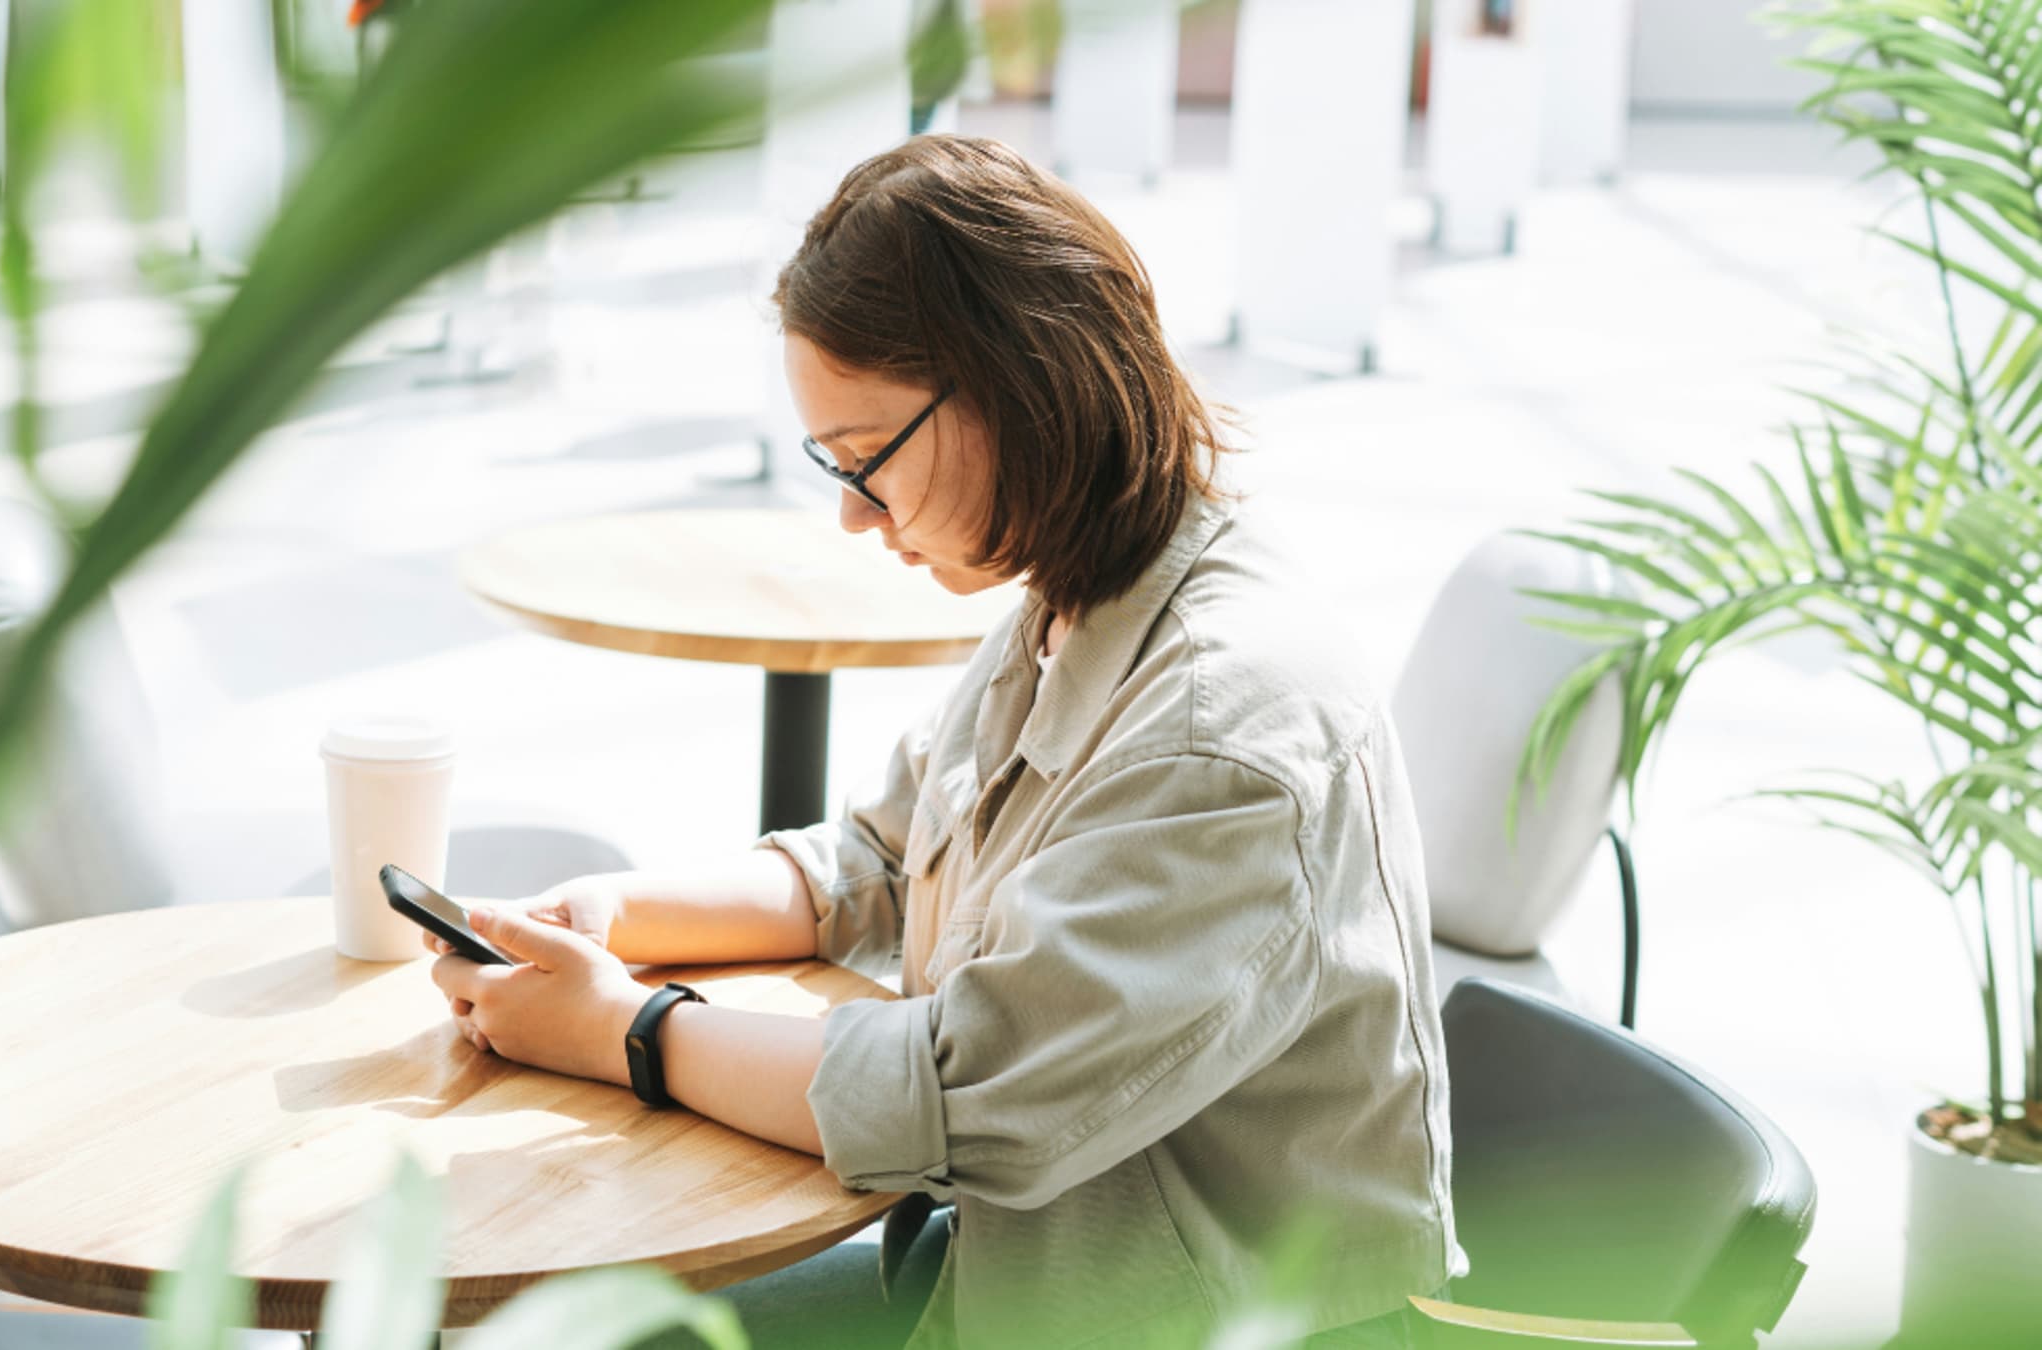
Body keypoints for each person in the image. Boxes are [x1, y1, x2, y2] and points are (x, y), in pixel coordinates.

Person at [428, 134, 1461, 1350]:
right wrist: (612, 918)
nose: (854, 515)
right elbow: (878, 855)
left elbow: (968, 1095)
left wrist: (626, 1032)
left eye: (868, 461)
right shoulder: (1082, 595)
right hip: (1024, 1285)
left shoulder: (1215, 732)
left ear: (1021, 388)